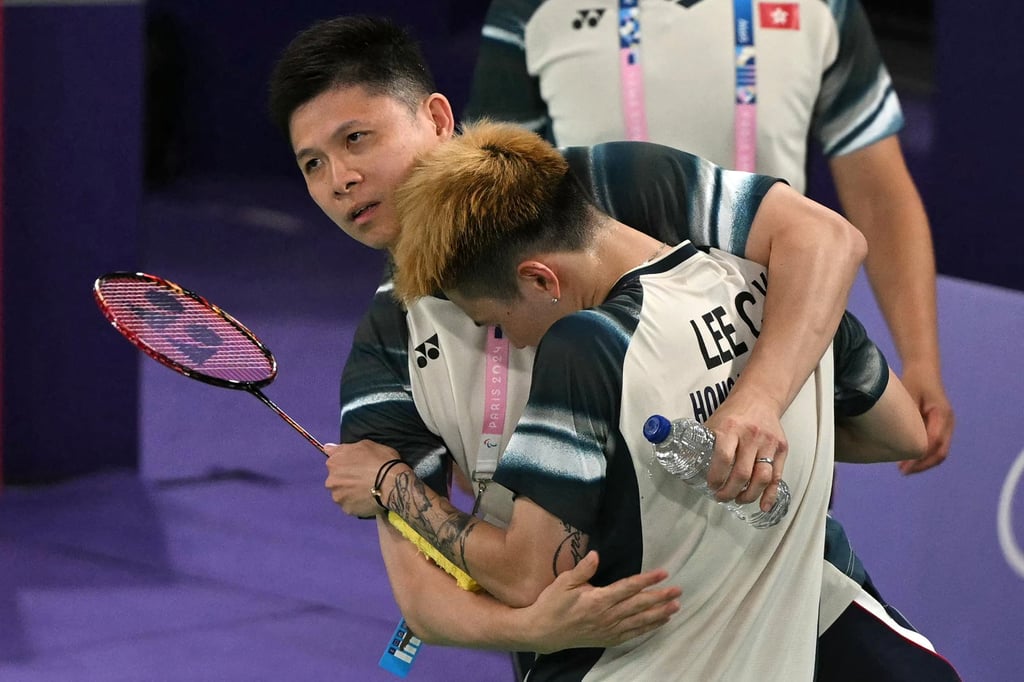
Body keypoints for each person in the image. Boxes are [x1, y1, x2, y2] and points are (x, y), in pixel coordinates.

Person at [265, 13, 902, 671]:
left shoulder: (601, 188)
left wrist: (760, 402)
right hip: (616, 650)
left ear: (434, 117)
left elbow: (825, 239)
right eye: (313, 164)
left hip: (796, 603)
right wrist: (532, 630)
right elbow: (422, 596)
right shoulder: (386, 347)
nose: (339, 179)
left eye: (357, 139)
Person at [342, 119, 957, 679]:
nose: (505, 340)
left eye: (494, 320)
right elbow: (904, 435)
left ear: (539, 279)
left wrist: (391, 483)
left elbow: (526, 574)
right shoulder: (781, 292)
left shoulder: (587, 348)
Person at [464, 0, 954, 474]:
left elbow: (879, 197)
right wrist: (470, 411)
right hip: (607, 380)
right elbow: (481, 207)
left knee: (784, 543)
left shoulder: (824, 6)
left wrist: (922, 359)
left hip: (774, 368)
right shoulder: (531, 8)